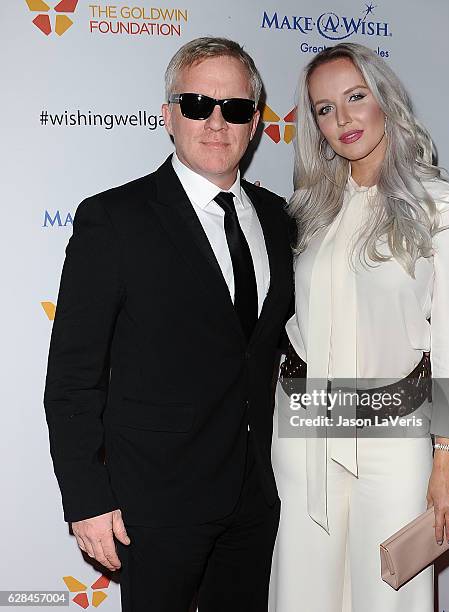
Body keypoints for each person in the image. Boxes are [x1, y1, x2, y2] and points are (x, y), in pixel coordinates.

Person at [43, 37, 294, 612]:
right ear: (168, 117)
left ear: (254, 123)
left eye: (234, 108)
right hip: (152, 505)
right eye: (196, 104)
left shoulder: (281, 220)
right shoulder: (114, 219)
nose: (215, 121)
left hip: (255, 497)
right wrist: (86, 500)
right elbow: (73, 378)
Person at [269, 43, 449, 611]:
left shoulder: (442, 206)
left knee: (390, 595)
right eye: (323, 108)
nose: (341, 119)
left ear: (385, 101)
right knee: (302, 593)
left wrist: (448, 456)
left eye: (355, 97)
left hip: (395, 437)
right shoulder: (306, 210)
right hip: (304, 430)